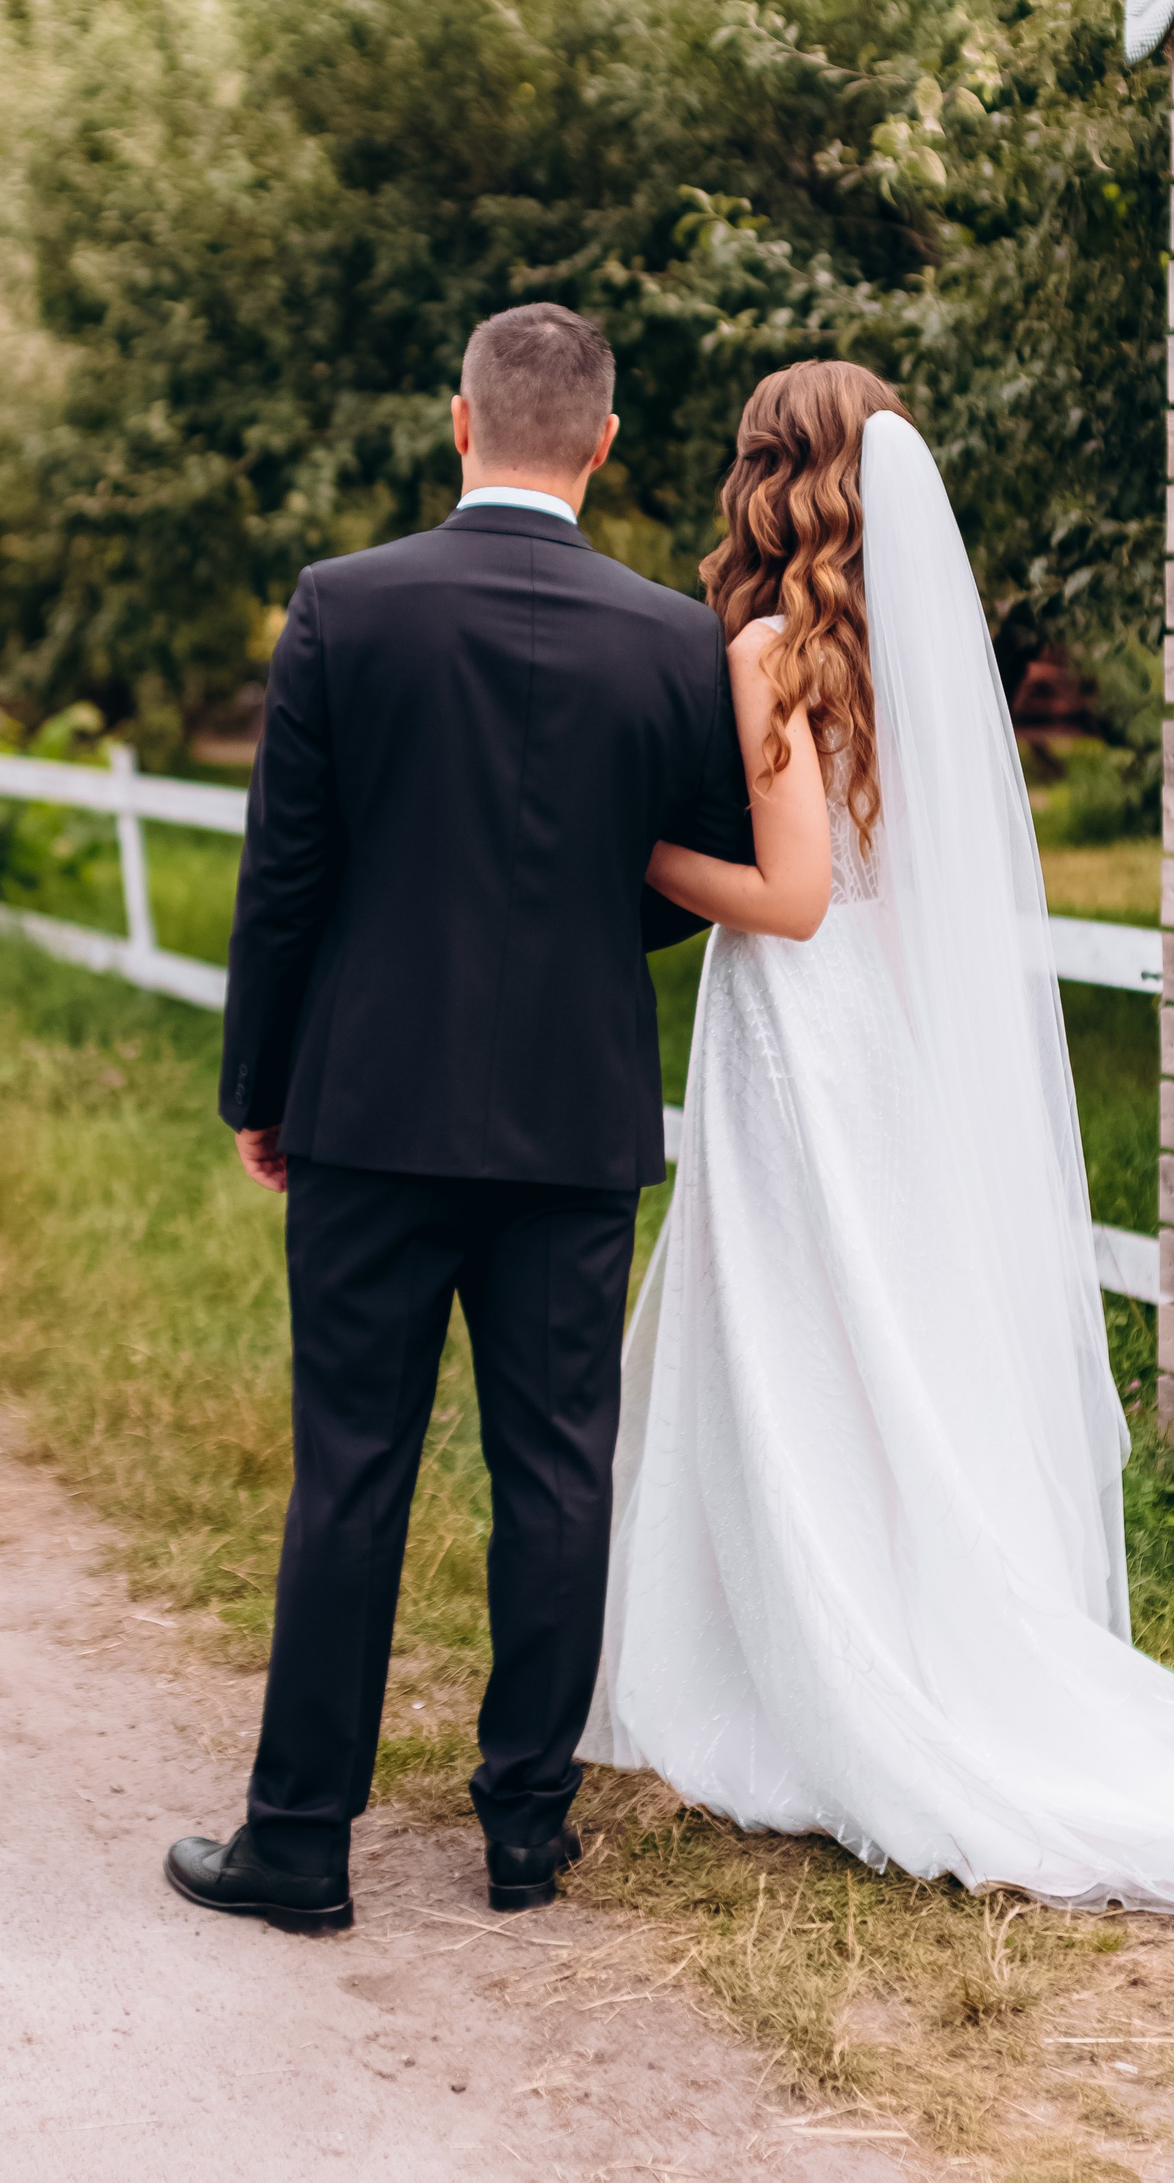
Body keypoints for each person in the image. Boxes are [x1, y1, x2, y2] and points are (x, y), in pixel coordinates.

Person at [584, 362, 1174, 1929]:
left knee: (793, 1342)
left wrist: (639, 848)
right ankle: (861, 1628)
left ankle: (812, 1676)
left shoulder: (766, 651)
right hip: (880, 1040)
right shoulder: (897, 652)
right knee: (878, 1344)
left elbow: (791, 898)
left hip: (798, 1040)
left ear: (772, 474)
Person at [165, 304, 761, 1934]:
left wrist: (260, 1088)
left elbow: (285, 875)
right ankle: (524, 1833)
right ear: (605, 444)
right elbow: (697, 867)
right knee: (558, 1471)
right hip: (572, 1119)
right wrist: (574, 925)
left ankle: (300, 1842)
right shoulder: (672, 638)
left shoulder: (344, 605)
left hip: (367, 1108)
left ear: (460, 421)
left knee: (349, 1469)